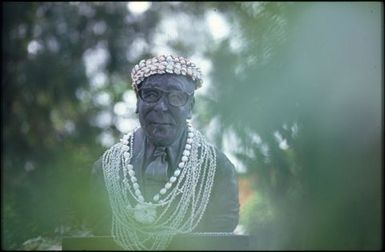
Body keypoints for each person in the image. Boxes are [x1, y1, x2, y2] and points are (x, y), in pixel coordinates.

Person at [87, 55, 239, 250]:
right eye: (151, 95)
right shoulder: (106, 170)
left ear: (190, 107)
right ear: (137, 102)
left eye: (176, 97)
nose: (161, 107)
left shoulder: (218, 169)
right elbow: (100, 235)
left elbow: (221, 239)